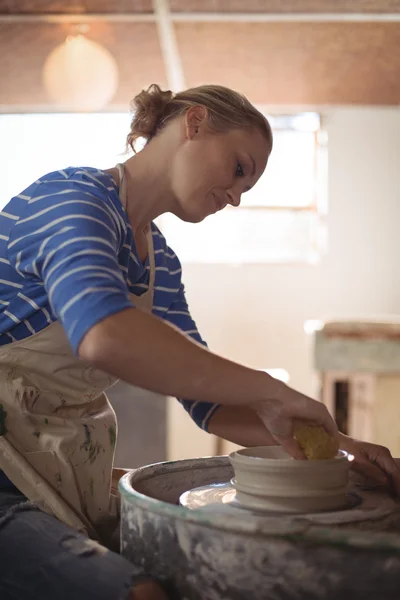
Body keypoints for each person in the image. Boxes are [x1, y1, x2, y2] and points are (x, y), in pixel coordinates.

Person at [0, 83, 399, 600]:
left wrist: (341, 455)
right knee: (141, 592)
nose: (235, 197)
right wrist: (268, 390)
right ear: (193, 123)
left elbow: (209, 403)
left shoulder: (158, 260)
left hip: (52, 463)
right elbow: (106, 335)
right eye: (238, 169)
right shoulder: (71, 200)